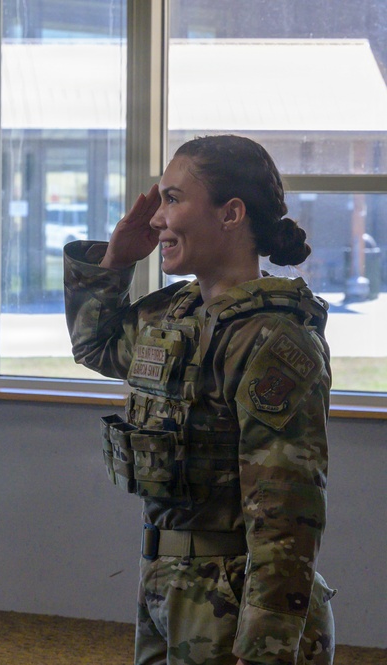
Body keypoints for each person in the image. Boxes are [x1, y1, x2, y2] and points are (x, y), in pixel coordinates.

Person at [63, 135, 335, 665]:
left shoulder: (272, 339)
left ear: (230, 213)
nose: (157, 219)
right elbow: (94, 345)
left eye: (172, 199)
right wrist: (114, 262)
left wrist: (265, 646)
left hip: (233, 599)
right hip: (167, 584)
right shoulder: (176, 313)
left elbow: (285, 514)